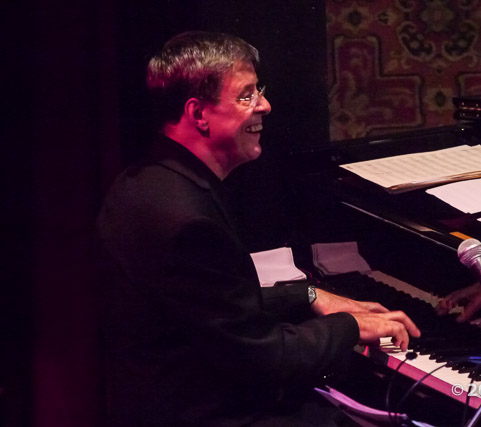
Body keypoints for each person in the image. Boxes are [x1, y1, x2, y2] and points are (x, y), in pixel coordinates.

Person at [97, 31, 420, 426]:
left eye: (259, 91)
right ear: (198, 114)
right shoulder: (187, 219)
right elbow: (262, 355)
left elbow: (215, 310)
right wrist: (350, 326)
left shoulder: (146, 181)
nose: (265, 105)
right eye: (246, 96)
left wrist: (308, 295)